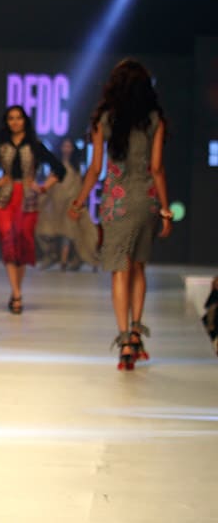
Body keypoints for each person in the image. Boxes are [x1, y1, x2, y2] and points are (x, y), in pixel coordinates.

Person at [70, 58, 172, 370]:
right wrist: (165, 211)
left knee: (119, 270)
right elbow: (156, 169)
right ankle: (138, 333)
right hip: (145, 201)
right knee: (139, 267)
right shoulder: (155, 119)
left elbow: (96, 167)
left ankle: (124, 339)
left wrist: (79, 201)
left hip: (115, 203)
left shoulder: (103, 118)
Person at [0, 105, 65, 314]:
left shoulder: (35, 146)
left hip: (27, 199)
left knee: (21, 243)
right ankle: (16, 294)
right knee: (8, 240)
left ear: (25, 121)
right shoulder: (2, 146)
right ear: (6, 122)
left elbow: (58, 168)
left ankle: (17, 291)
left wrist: (43, 186)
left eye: (18, 118)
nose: (15, 122)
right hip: (5, 199)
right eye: (11, 118)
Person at [35, 138, 98, 271]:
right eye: (64, 146)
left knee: (72, 233)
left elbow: (80, 185)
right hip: (57, 203)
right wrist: (42, 197)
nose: (66, 149)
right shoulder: (56, 166)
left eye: (69, 146)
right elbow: (49, 184)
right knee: (47, 231)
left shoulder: (77, 167)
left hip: (72, 203)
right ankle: (54, 257)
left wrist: (80, 201)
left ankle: (70, 260)